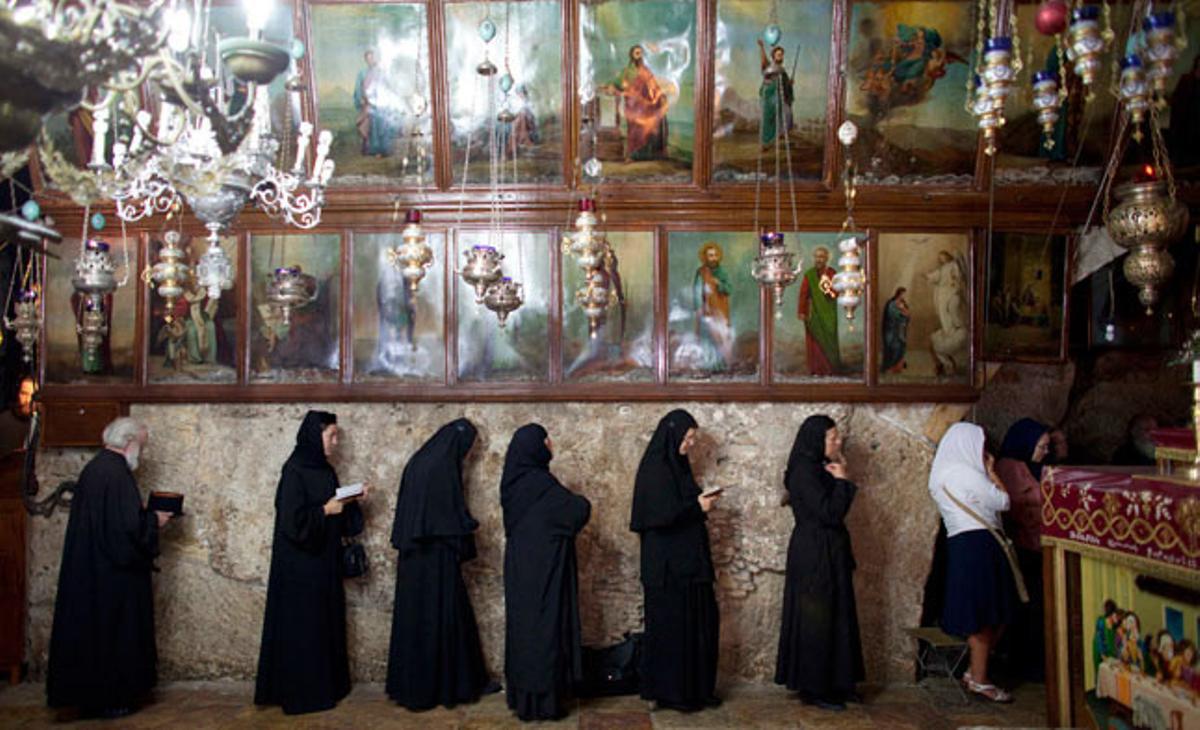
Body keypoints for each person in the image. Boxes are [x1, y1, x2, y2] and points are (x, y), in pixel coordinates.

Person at [46, 417, 172, 718]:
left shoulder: (96, 469)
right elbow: (127, 530)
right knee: (115, 635)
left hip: (92, 569)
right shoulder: (116, 475)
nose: (140, 453)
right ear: (129, 443)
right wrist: (155, 521)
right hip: (113, 577)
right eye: (140, 445)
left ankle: (94, 697)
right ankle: (112, 697)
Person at [255, 411, 367, 715]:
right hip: (300, 569)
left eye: (336, 435)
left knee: (324, 625)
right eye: (331, 435)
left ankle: (329, 685)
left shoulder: (325, 469)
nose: (335, 441)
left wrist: (351, 500)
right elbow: (292, 523)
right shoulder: (294, 471)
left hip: (324, 564)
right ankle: (305, 694)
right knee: (304, 630)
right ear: (314, 435)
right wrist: (325, 511)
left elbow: (340, 516)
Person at [386, 418, 494, 710]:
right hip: (435, 560)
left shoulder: (421, 461)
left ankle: (415, 686)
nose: (467, 456)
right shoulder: (443, 467)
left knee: (417, 622)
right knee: (442, 622)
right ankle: (446, 686)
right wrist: (469, 526)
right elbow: (448, 517)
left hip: (416, 560)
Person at [630, 409, 721, 712]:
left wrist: (700, 501)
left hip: (688, 565)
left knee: (698, 626)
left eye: (693, 438)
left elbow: (682, 505)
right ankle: (674, 694)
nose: (690, 444)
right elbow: (660, 515)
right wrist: (698, 506)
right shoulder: (655, 469)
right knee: (672, 631)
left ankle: (696, 690)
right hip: (667, 569)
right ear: (672, 434)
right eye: (687, 437)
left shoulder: (677, 467)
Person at [501, 424, 591, 721]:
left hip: (519, 569)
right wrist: (583, 501)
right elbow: (576, 511)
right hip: (545, 571)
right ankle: (544, 703)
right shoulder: (542, 485)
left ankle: (523, 699)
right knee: (544, 632)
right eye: (546, 440)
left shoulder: (513, 484)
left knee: (523, 631)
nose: (550, 444)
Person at [775, 415, 863, 710]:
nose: (839, 442)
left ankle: (838, 682)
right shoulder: (804, 472)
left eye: (838, 437)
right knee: (817, 620)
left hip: (828, 550)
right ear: (816, 440)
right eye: (833, 437)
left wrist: (839, 478)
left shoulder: (819, 468)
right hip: (814, 552)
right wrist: (842, 482)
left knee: (835, 615)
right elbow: (828, 513)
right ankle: (815, 688)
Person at [928, 422, 1017, 703]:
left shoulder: (940, 474)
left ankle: (976, 671)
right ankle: (980, 679)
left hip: (962, 545)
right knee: (986, 614)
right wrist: (991, 472)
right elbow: (1003, 501)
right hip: (979, 545)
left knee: (983, 611)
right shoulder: (966, 473)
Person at [995, 418, 1051, 681]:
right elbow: (1017, 505)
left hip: (1037, 545)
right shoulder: (1012, 468)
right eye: (1041, 446)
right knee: (1028, 608)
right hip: (1024, 546)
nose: (1045, 452)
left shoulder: (1032, 467)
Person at [605, 45, 669, 161]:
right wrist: (611, 86)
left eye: (640, 53)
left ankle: (647, 155)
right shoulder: (626, 72)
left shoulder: (646, 71)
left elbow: (653, 86)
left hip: (645, 104)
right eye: (636, 53)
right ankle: (633, 154)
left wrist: (660, 95)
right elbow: (617, 83)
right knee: (634, 129)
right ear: (632, 55)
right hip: (633, 105)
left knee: (652, 122)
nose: (639, 56)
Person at [797, 247, 841, 375]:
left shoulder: (832, 273)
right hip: (813, 313)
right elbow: (803, 294)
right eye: (816, 256)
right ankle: (816, 369)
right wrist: (802, 311)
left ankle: (830, 369)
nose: (819, 259)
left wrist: (828, 290)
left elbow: (836, 293)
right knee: (814, 342)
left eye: (821, 256)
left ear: (827, 258)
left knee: (829, 339)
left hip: (828, 313)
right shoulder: (809, 275)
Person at [924, 251, 968, 377]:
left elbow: (957, 276)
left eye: (942, 256)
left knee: (950, 308)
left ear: (947, 256)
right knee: (942, 311)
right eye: (939, 258)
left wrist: (956, 282)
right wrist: (927, 276)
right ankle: (947, 328)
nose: (940, 259)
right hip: (943, 292)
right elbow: (936, 276)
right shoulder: (943, 268)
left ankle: (951, 327)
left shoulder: (953, 265)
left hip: (950, 291)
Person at [693, 242, 734, 370]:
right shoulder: (701, 272)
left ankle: (721, 365)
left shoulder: (723, 273)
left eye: (715, 255)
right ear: (705, 257)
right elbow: (696, 291)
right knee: (707, 336)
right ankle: (707, 365)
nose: (713, 258)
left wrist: (719, 284)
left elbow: (729, 289)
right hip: (707, 310)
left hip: (721, 309)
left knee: (721, 335)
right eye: (710, 255)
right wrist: (699, 307)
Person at [354, 50, 395, 157]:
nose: (370, 60)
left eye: (371, 58)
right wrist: (362, 100)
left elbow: (387, 86)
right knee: (369, 126)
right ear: (365, 60)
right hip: (368, 103)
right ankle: (373, 150)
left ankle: (384, 149)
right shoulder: (362, 73)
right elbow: (358, 88)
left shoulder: (381, 72)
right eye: (368, 58)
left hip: (381, 103)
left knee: (382, 125)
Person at [757, 40, 794, 147]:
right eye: (778, 55)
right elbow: (764, 62)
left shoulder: (782, 71)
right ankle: (767, 143)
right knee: (769, 120)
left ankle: (779, 135)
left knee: (787, 114)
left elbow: (785, 85)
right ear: (773, 56)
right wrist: (762, 48)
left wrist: (789, 84)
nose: (781, 57)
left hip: (780, 97)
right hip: (770, 97)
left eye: (781, 55)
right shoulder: (770, 67)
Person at [0, 376, 35, 453]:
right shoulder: (3, 421)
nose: (28, 400)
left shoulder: (42, 425)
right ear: (17, 394)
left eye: (33, 396)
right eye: (24, 394)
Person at [881, 287, 910, 374]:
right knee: (895, 347)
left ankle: (898, 366)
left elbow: (907, 315)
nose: (904, 296)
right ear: (899, 294)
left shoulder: (902, 303)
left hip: (900, 330)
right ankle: (891, 367)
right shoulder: (892, 304)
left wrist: (904, 312)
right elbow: (894, 316)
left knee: (901, 347)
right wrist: (902, 312)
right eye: (903, 294)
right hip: (892, 330)